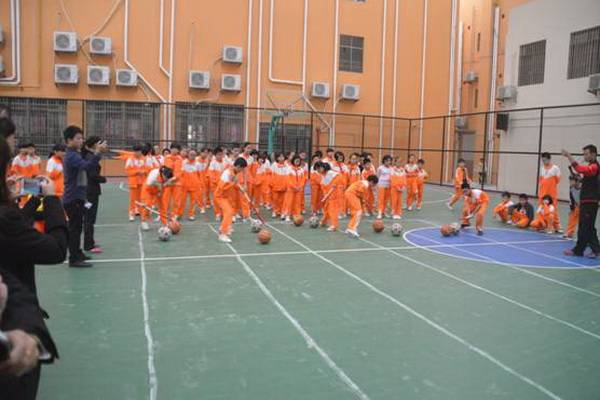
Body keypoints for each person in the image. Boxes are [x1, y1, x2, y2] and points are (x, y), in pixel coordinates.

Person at [0, 135, 64, 398]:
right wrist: (51, 200)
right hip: (11, 344)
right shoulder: (5, 220)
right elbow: (56, 249)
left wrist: (16, 202)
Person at [62, 126, 107, 267]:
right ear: (69, 140)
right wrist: (98, 153)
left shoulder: (75, 154)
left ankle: (77, 252)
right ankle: (74, 258)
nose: (81, 140)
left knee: (78, 226)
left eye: (82, 138)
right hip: (73, 197)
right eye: (78, 138)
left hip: (78, 196)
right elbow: (87, 167)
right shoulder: (72, 156)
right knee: (75, 229)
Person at [562, 145, 600, 257]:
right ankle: (595, 250)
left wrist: (569, 156)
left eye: (586, 154)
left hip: (590, 202)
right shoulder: (591, 166)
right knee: (588, 227)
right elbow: (588, 181)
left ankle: (579, 250)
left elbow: (579, 169)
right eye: (584, 154)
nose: (585, 156)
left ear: (593, 154)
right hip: (587, 201)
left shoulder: (594, 166)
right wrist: (579, 179)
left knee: (585, 227)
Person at [82, 136, 107, 255]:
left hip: (91, 191)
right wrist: (102, 179)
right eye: (99, 143)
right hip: (90, 192)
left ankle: (90, 241)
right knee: (89, 218)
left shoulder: (90, 156)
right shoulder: (89, 157)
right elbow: (92, 174)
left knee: (90, 218)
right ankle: (88, 245)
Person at [214, 158, 248, 243]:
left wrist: (241, 189)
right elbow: (222, 187)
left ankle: (225, 227)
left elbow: (235, 185)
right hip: (220, 196)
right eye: (242, 169)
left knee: (231, 211)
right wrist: (233, 183)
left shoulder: (234, 172)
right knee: (228, 212)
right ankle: (223, 234)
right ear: (238, 166)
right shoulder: (227, 173)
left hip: (226, 196)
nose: (242, 171)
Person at [140, 166, 174, 231]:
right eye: (166, 178)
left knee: (162, 206)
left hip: (158, 190)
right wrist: (160, 185)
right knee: (147, 205)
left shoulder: (168, 177)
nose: (166, 179)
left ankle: (165, 223)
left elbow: (169, 183)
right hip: (148, 189)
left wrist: (164, 186)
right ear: (163, 174)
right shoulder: (153, 175)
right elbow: (149, 184)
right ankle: (144, 221)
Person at [538, 152, 562, 233]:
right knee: (542, 210)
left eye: (545, 160)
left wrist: (550, 185)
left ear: (549, 159)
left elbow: (558, 180)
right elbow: (541, 180)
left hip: (552, 194)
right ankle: (544, 226)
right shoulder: (542, 168)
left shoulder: (555, 168)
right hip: (542, 194)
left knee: (553, 211)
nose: (544, 162)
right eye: (543, 160)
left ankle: (557, 227)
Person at [125, 145, 146, 222]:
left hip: (142, 182)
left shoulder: (144, 159)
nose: (137, 153)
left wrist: (144, 171)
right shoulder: (130, 159)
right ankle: (131, 213)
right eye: (135, 151)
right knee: (132, 199)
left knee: (141, 198)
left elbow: (148, 168)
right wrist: (137, 172)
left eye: (138, 151)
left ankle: (140, 212)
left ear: (141, 151)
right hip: (133, 182)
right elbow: (127, 171)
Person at [179, 149, 200, 220]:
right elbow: (180, 173)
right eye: (191, 154)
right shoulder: (183, 162)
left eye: (194, 155)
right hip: (184, 185)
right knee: (182, 201)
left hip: (194, 186)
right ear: (188, 155)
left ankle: (191, 214)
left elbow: (199, 175)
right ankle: (179, 214)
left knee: (193, 202)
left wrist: (199, 184)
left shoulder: (197, 164)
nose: (192, 156)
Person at [283, 155, 306, 221]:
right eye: (296, 160)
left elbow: (303, 179)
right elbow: (288, 179)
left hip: (299, 189)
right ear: (293, 161)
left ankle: (296, 215)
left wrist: (300, 186)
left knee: (297, 203)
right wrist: (294, 186)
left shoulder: (301, 169)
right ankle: (287, 215)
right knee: (289, 202)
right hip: (291, 189)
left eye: (298, 161)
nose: (297, 162)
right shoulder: (289, 168)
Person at [270, 153, 289, 219]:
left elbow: (288, 175)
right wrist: (272, 184)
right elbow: (271, 175)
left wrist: (286, 185)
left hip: (284, 186)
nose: (281, 158)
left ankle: (281, 211)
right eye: (279, 157)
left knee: (282, 200)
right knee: (275, 200)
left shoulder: (286, 165)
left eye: (282, 156)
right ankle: (275, 211)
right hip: (275, 186)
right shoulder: (274, 165)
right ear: (277, 158)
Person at [564, 174, 582, 239]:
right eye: (570, 181)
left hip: (584, 206)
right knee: (572, 217)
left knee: (584, 221)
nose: (570, 182)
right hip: (576, 205)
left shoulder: (583, 188)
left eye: (572, 181)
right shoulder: (571, 188)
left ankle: (584, 235)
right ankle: (569, 232)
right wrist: (572, 207)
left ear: (577, 181)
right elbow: (571, 197)